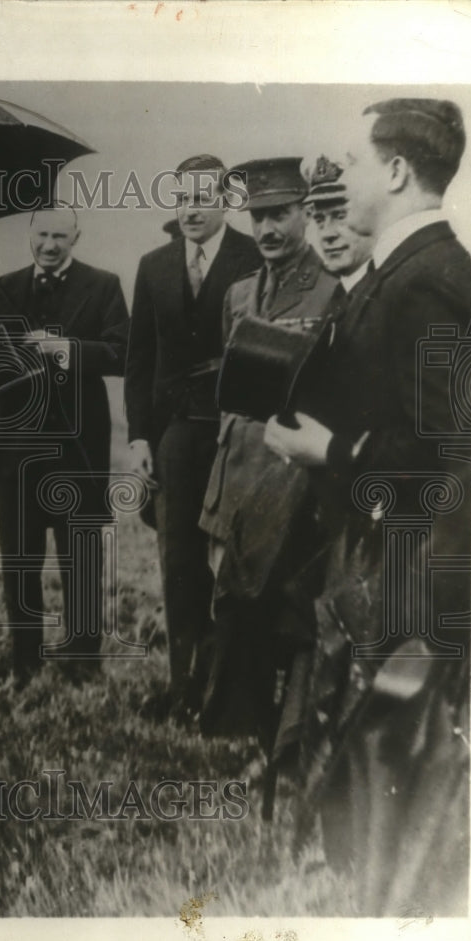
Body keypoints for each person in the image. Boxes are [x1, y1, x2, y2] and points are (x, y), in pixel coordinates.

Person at [265, 99, 471, 915]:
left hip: (410, 556)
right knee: (363, 717)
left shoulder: (427, 280)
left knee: (391, 722)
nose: (338, 177)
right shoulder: (404, 271)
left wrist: (334, 452)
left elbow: (446, 452)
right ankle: (359, 871)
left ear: (394, 172)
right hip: (380, 546)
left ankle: (383, 894)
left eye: (351, 163)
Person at [198, 157, 337, 743]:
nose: (267, 230)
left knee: (289, 610)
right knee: (237, 603)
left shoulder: (332, 289)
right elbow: (228, 400)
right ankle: (239, 726)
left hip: (295, 479)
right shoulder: (237, 294)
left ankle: (289, 733)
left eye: (279, 214)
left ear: (306, 213)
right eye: (258, 218)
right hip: (238, 473)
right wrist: (214, 497)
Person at [124, 155, 260, 714]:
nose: (190, 208)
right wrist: (138, 439)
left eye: (203, 198)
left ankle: (225, 689)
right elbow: (140, 361)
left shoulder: (253, 257)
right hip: (175, 435)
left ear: (227, 201)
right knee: (178, 560)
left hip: (237, 431)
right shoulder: (153, 266)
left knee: (232, 560)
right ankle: (184, 688)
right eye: (181, 198)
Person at [0, 204, 129, 682]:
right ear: (30, 235)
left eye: (60, 238)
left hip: (79, 452)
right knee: (19, 562)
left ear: (77, 239)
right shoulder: (3, 288)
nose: (49, 246)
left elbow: (122, 352)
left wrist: (67, 350)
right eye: (42, 235)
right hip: (16, 454)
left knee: (82, 558)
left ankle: (83, 663)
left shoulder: (104, 285)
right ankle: (24, 663)